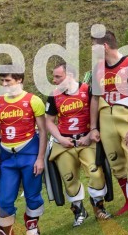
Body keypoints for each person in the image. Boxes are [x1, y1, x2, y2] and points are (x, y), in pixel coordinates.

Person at [0, 70, 47, 235]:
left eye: (8, 80)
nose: (4, 84)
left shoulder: (33, 100)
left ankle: (32, 226)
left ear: (19, 80)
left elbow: (43, 131)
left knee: (32, 194)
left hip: (29, 153)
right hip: (7, 157)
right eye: (2, 81)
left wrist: (40, 157)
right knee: (5, 198)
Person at [92, 30, 128, 216]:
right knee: (116, 161)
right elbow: (95, 98)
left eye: (94, 45)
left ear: (105, 46)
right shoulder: (98, 68)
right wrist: (94, 127)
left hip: (127, 119)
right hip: (106, 120)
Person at [45, 64, 111, 226]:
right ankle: (79, 210)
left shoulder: (87, 91)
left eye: (58, 77)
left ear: (71, 75)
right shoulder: (54, 96)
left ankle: (98, 206)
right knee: (69, 177)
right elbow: (49, 121)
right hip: (65, 142)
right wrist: (60, 138)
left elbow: (100, 113)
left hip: (86, 139)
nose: (54, 80)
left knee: (95, 172)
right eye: (54, 77)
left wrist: (91, 133)